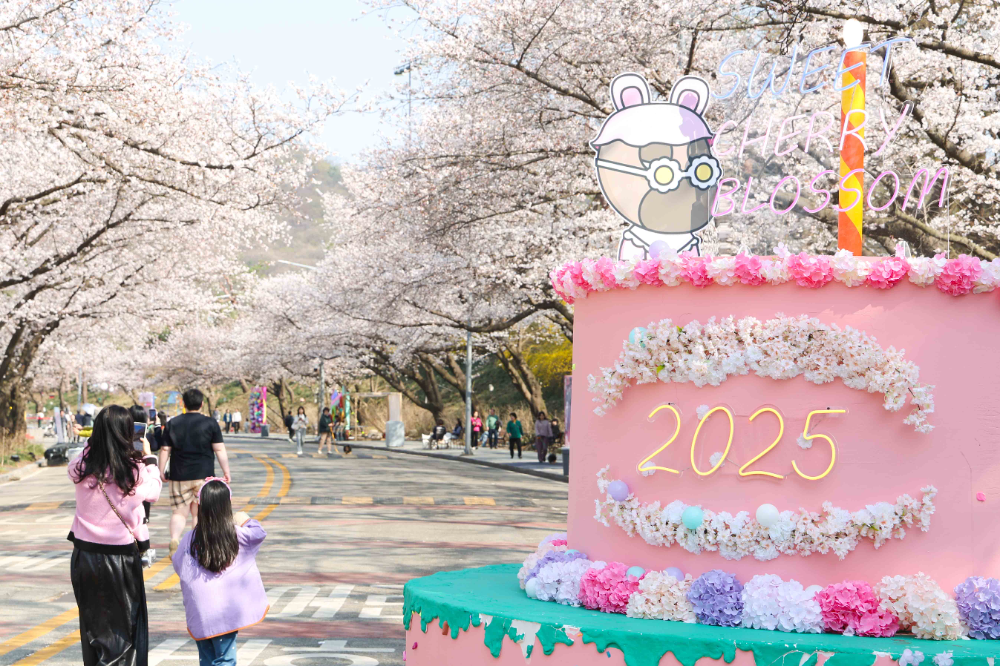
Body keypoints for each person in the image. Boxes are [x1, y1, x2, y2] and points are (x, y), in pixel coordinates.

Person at [68, 404, 162, 666]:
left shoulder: (81, 465)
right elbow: (153, 492)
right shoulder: (133, 469)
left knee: (93, 629)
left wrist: (95, 442)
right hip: (120, 559)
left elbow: (82, 457)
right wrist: (149, 458)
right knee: (123, 632)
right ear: (126, 433)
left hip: (84, 555)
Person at [173, 479, 267, 666]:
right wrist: (245, 519)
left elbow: (178, 563)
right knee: (225, 659)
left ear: (200, 506)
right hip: (224, 612)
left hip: (200, 611)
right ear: (227, 506)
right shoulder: (236, 533)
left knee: (207, 659)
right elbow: (258, 533)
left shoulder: (190, 538)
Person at [158, 389, 231, 557]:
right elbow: (219, 449)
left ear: (183, 403)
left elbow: (164, 449)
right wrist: (226, 471)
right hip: (204, 476)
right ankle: (197, 546)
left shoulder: (173, 423)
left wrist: (161, 471)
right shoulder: (211, 423)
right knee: (198, 514)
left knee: (179, 513)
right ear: (202, 404)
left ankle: (175, 540)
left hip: (179, 475)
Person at [129, 405, 159, 567]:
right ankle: (141, 545)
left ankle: (137, 543)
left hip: (127, 477)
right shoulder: (147, 436)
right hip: (143, 475)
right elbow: (155, 446)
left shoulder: (121, 436)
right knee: (142, 514)